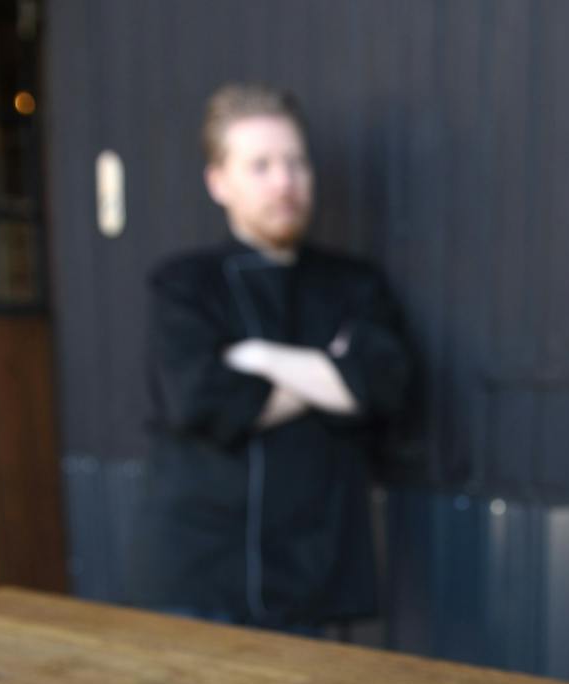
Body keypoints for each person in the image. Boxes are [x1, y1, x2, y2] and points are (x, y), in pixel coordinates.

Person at [136, 85, 411, 631]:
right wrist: (328, 375)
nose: (284, 182)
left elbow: (383, 384)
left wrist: (259, 358)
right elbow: (198, 400)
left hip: (319, 570)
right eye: (260, 166)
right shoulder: (184, 284)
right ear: (219, 182)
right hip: (202, 570)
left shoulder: (353, 283)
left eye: (295, 163)